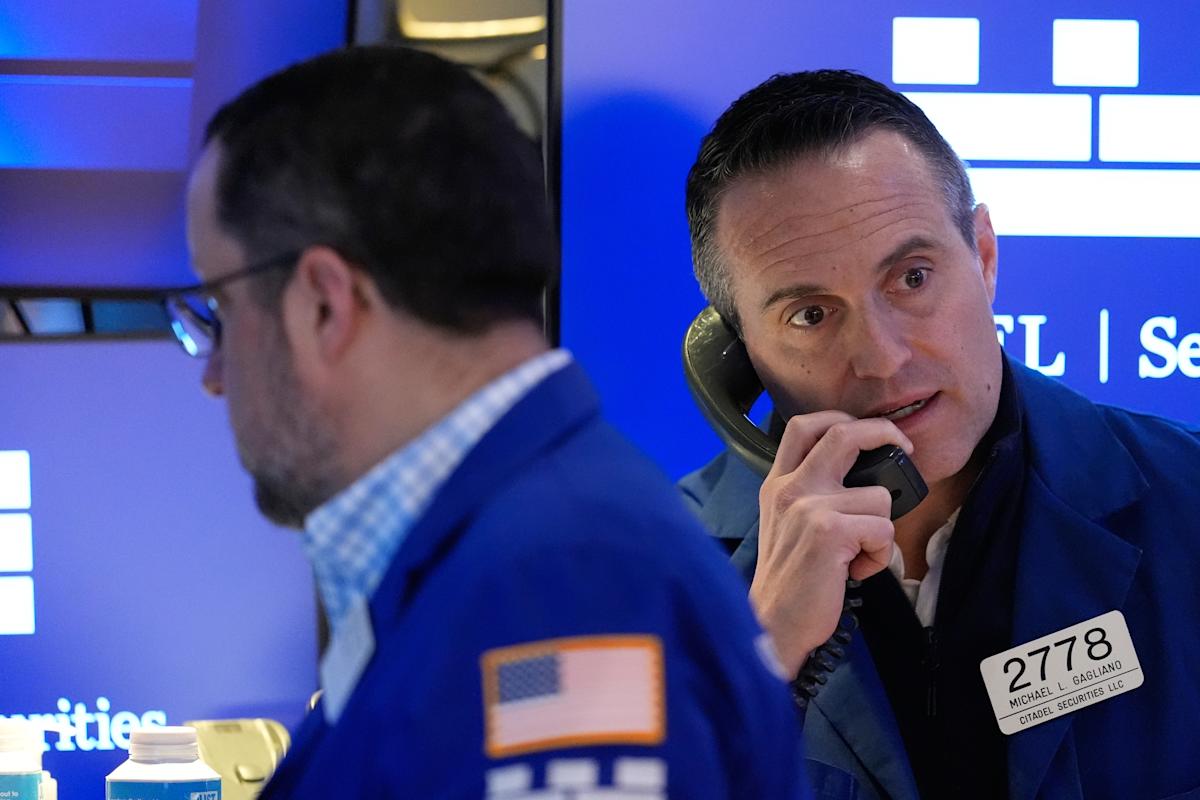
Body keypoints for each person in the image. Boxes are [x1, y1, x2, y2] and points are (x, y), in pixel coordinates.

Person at [166, 46, 808, 799]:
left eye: (219, 308)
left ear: (324, 304)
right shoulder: (513, 556)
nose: (213, 374)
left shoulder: (562, 589)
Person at [680, 69, 1200, 799]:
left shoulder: (1188, 502)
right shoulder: (650, 569)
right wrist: (764, 655)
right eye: (811, 315)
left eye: (913, 278)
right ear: (739, 358)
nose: (883, 357)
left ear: (984, 256)